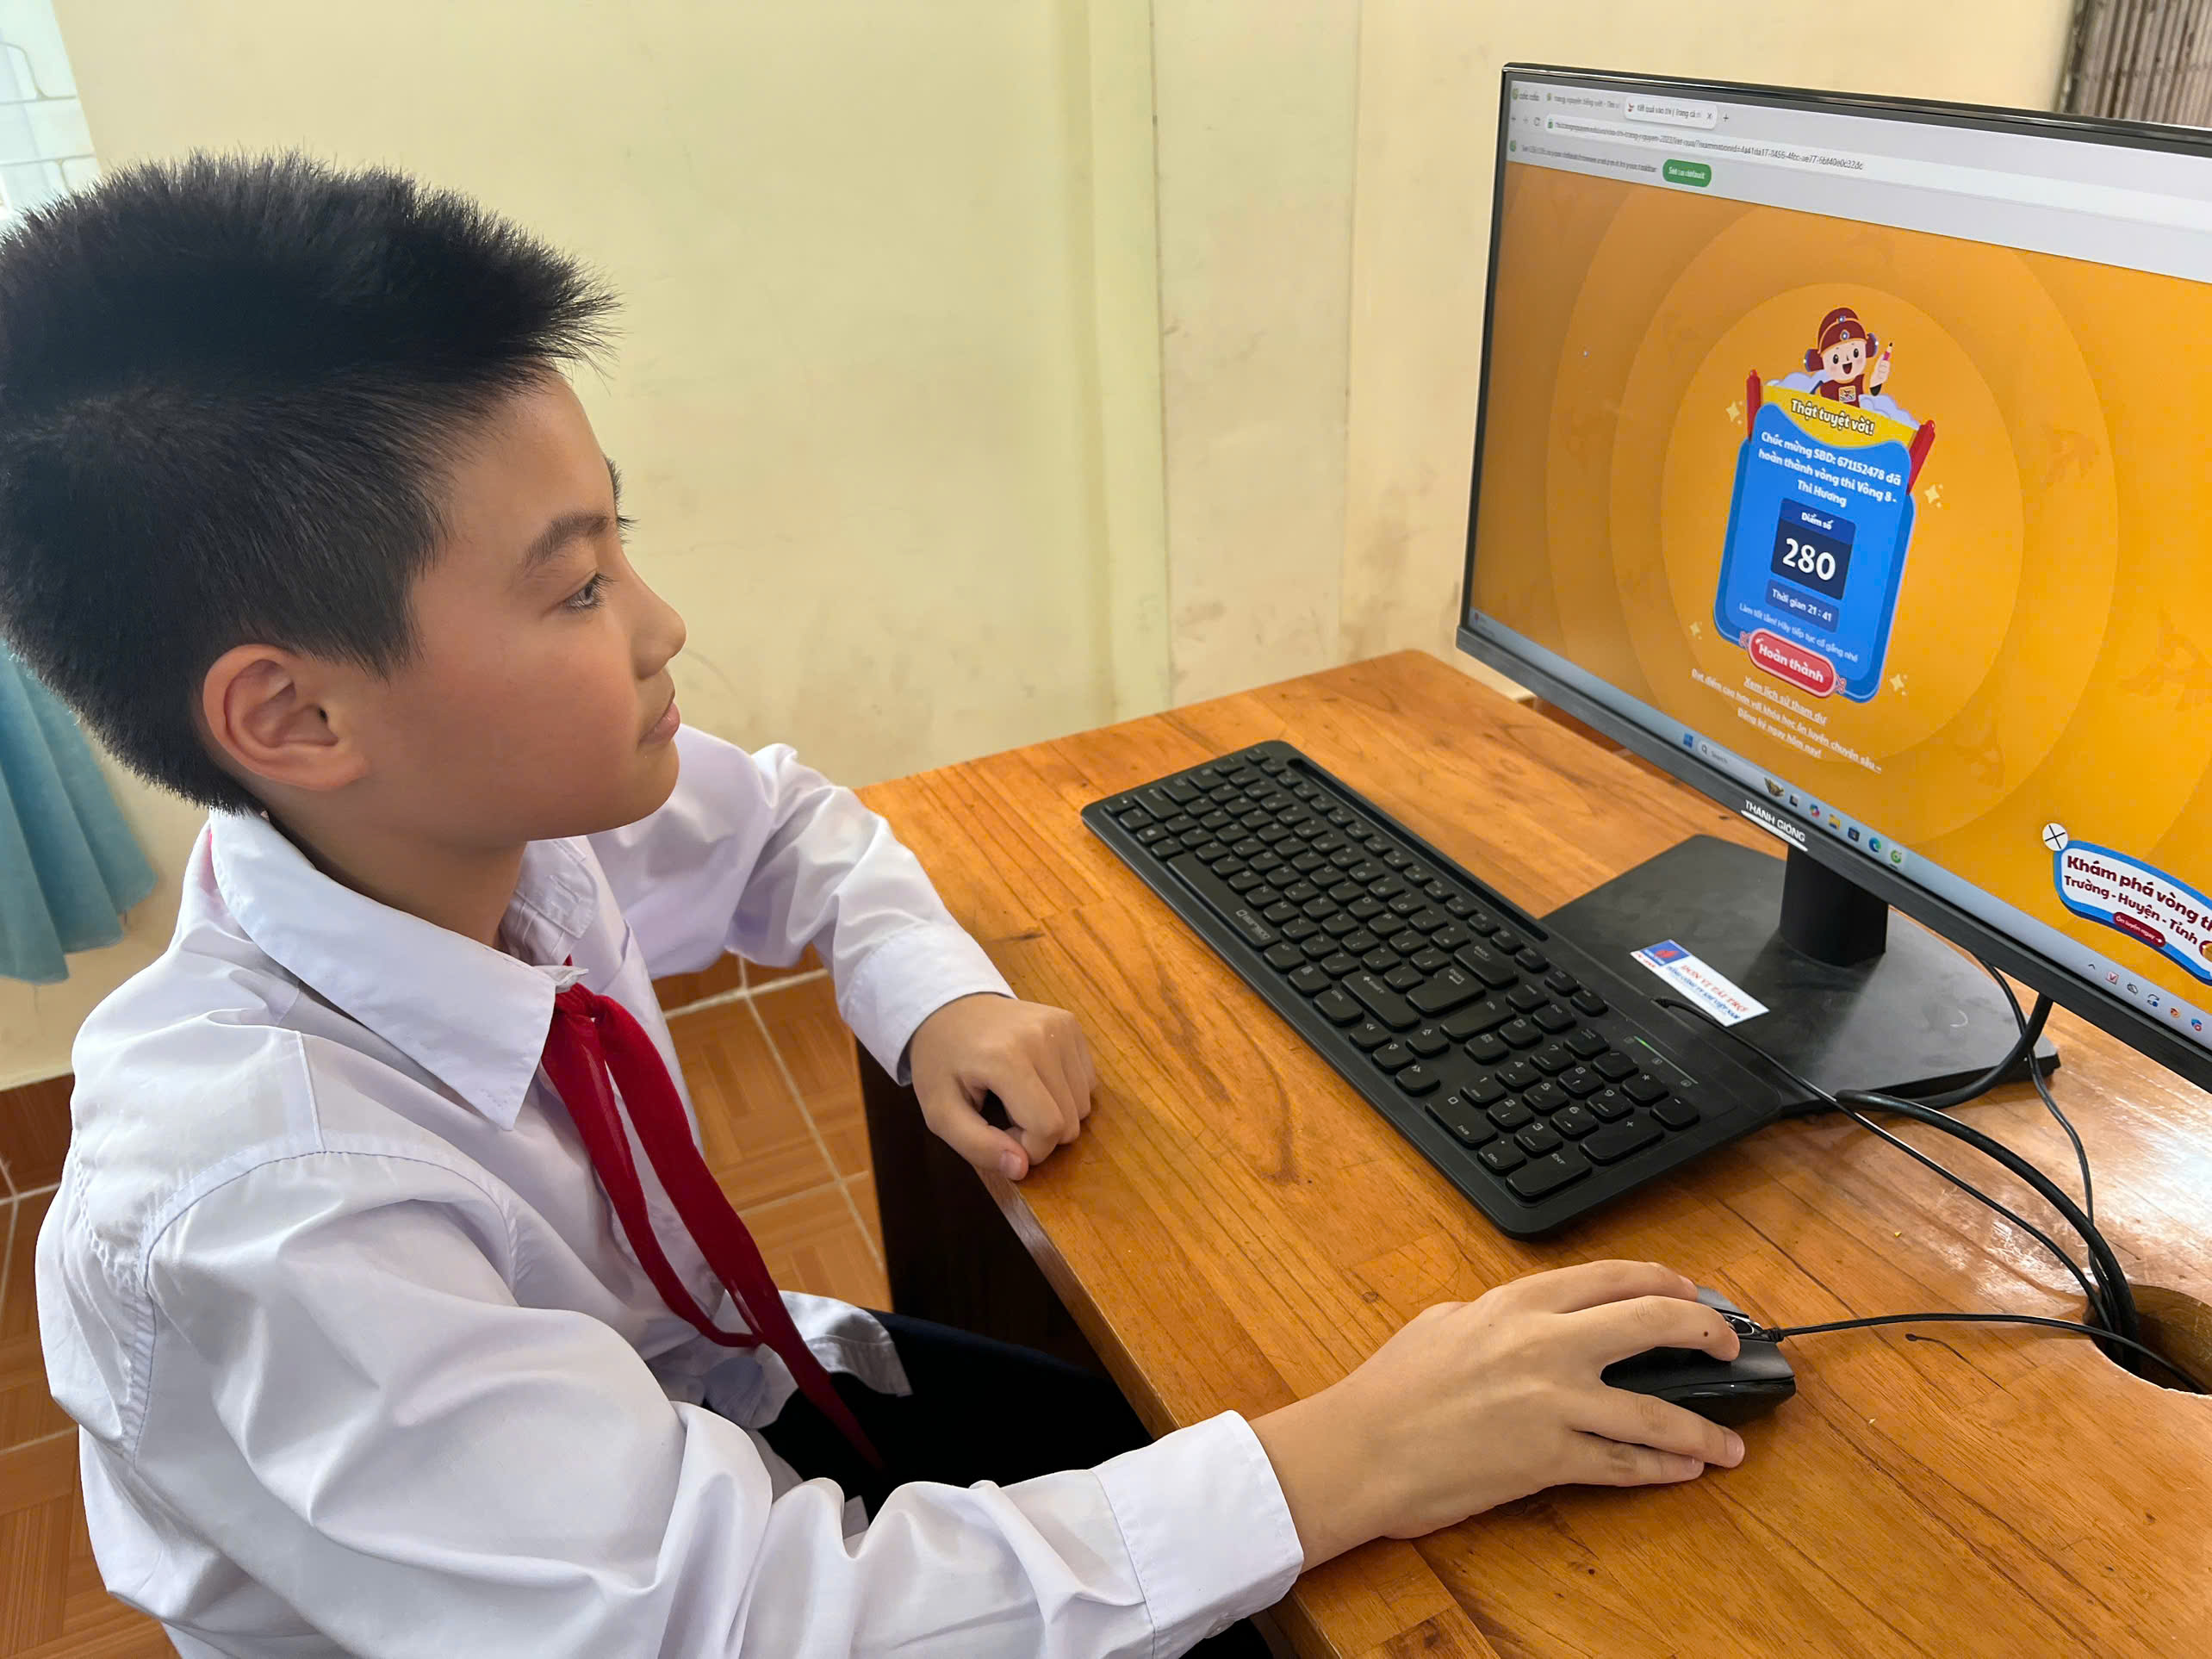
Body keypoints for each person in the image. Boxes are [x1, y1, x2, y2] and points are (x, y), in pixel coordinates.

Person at [3, 155, 1748, 1658]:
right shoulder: (266, 1225)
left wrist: (936, 996)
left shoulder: (459, 833)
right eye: (579, 586)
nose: (662, 623)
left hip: (725, 1402)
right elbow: (757, 1625)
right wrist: (1359, 1454)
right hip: (667, 1603)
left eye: (621, 541)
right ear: (296, 716)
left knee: (1201, 1407)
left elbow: (793, 831)